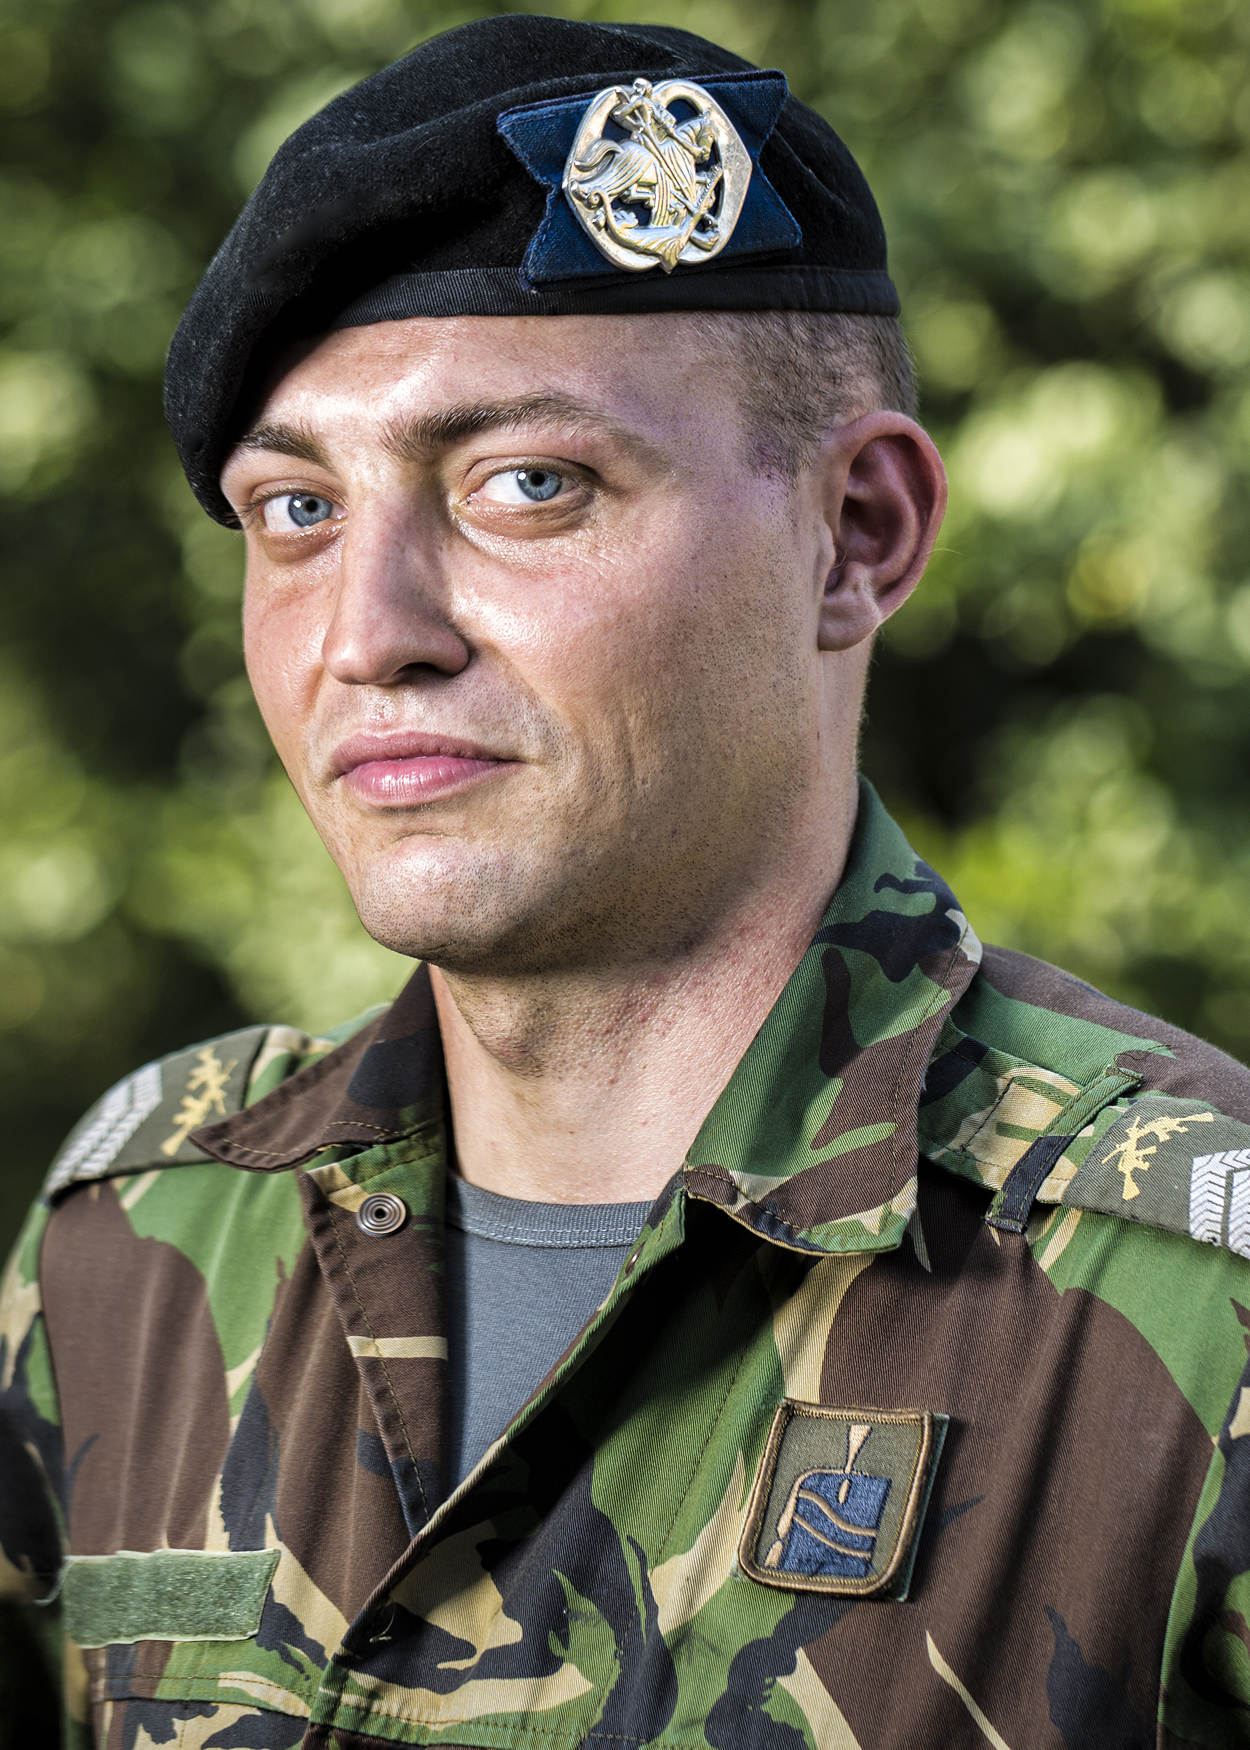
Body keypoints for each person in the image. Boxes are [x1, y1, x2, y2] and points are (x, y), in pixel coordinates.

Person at [3, 14, 1250, 1748]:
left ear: (856, 534)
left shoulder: (1190, 1296)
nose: (368, 633)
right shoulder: (137, 1244)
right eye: (294, 511)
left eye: (526, 484)